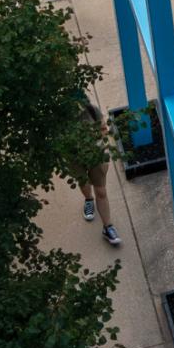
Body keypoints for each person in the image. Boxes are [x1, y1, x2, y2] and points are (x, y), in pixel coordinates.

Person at [75, 96, 122, 247]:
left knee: (101, 191)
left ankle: (108, 227)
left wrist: (97, 144)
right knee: (83, 182)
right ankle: (88, 199)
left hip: (96, 154)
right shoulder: (59, 118)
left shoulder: (91, 110)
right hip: (74, 157)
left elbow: (103, 128)